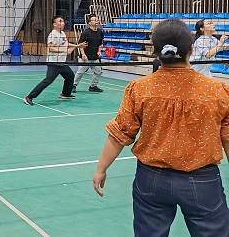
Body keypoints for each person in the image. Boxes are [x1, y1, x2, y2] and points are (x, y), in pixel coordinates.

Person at [93, 19, 229, 237]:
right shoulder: (217, 90)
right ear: (191, 49)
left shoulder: (139, 88)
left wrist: (101, 168)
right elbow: (228, 137)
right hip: (202, 181)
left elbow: (120, 133)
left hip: (151, 179)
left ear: (156, 52)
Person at [23, 15, 87, 105]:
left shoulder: (62, 33)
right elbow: (51, 48)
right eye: (60, 21)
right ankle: (29, 97)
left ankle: (65, 94)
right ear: (54, 24)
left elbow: (66, 43)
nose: (63, 23)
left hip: (62, 63)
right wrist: (65, 51)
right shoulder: (53, 35)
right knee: (48, 81)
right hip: (53, 63)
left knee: (70, 76)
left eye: (63, 21)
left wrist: (77, 46)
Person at [72, 14, 104, 93]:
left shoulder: (100, 32)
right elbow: (81, 45)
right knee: (80, 72)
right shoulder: (85, 33)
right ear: (89, 23)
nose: (96, 21)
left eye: (97, 20)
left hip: (95, 57)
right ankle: (73, 85)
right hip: (85, 57)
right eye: (94, 20)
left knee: (98, 72)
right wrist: (83, 54)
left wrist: (99, 51)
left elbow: (100, 44)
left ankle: (93, 86)